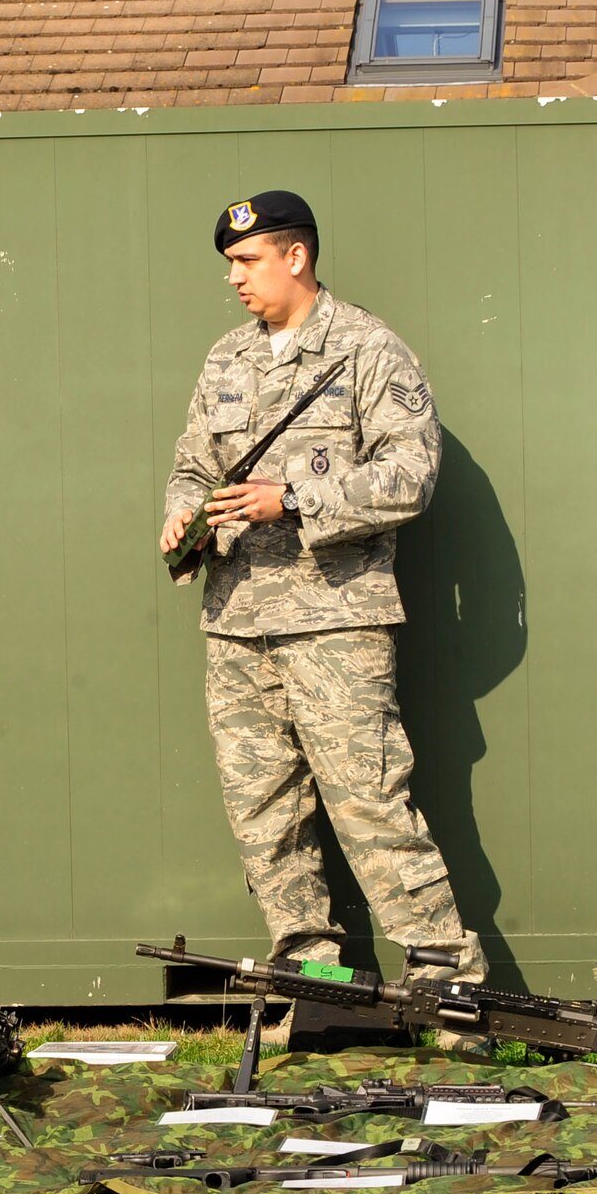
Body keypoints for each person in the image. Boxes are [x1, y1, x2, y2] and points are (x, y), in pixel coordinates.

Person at [159, 190, 488, 1015]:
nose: (234, 278)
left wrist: (295, 498)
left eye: (247, 261)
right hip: (236, 622)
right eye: (230, 265)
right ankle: (320, 989)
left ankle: (450, 992)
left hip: (335, 621)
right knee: (265, 816)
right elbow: (194, 464)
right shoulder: (226, 358)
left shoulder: (368, 351)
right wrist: (180, 510)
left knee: (372, 805)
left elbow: (411, 473)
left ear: (295, 256)